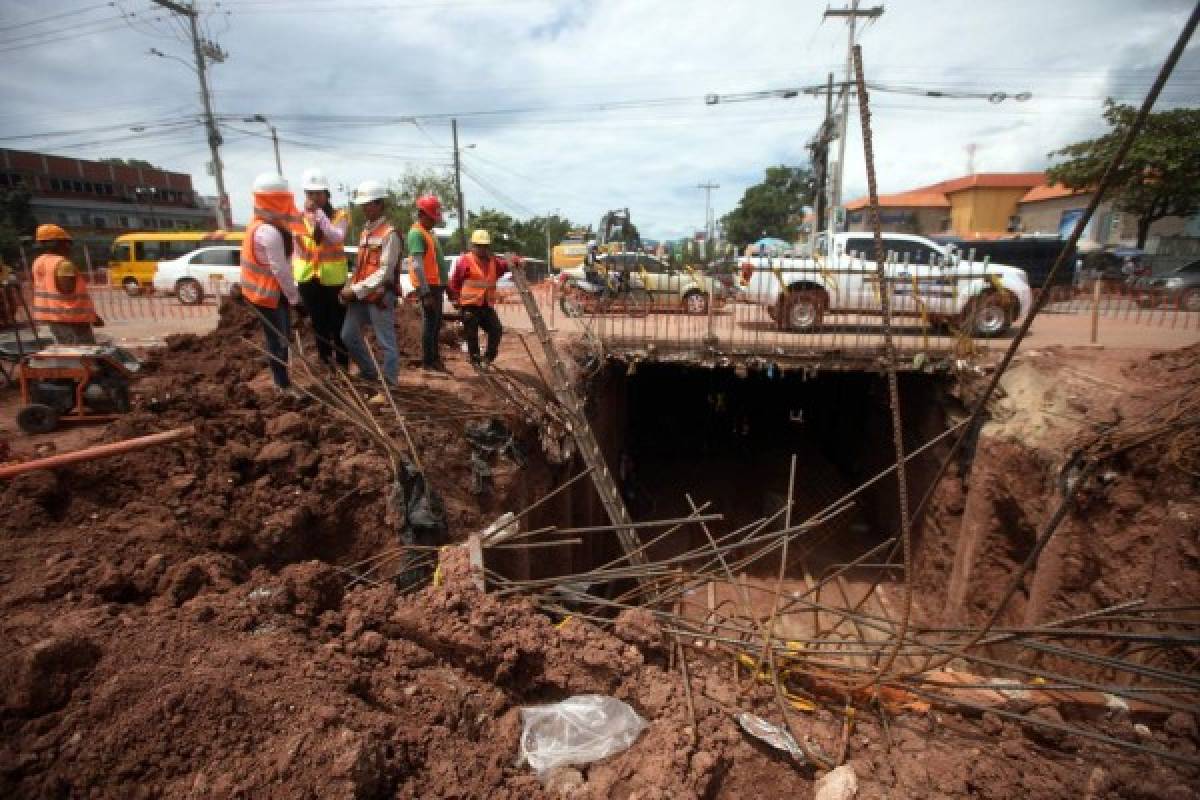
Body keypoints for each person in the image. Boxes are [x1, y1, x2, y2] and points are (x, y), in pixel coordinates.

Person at [239, 173, 304, 396]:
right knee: (280, 341)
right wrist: (295, 299)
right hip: (269, 296)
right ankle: (283, 386)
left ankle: (281, 381)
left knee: (275, 339)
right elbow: (280, 270)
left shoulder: (256, 225)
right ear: (276, 200)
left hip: (258, 294)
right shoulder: (269, 232)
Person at [340, 179, 400, 390]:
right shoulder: (366, 232)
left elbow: (384, 272)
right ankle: (369, 372)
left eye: (369, 204)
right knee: (348, 335)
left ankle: (390, 383)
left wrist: (354, 290)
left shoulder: (389, 234)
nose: (365, 208)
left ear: (380, 204)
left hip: (379, 296)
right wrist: (350, 285)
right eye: (363, 205)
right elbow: (361, 266)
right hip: (360, 295)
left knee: (385, 342)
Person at [292, 167, 349, 370]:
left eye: (318, 193)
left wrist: (318, 215)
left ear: (326, 194)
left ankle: (342, 364)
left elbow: (336, 236)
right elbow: (296, 250)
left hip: (333, 281)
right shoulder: (298, 218)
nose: (314, 197)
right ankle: (326, 364)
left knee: (338, 324)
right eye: (310, 193)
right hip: (308, 280)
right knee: (319, 325)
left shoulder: (339, 216)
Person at [30, 224, 103, 344]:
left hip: (53, 317)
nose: (69, 247)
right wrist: (91, 316)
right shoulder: (63, 264)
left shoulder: (38, 262)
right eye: (66, 243)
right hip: (72, 319)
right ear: (56, 244)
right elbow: (68, 292)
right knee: (83, 354)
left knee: (66, 352)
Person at [448, 229, 511, 367]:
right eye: (479, 246)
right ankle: (476, 361)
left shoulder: (494, 262)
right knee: (471, 335)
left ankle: (488, 358)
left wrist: (516, 261)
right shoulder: (465, 261)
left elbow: (507, 265)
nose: (482, 249)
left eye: (485, 246)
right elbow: (455, 282)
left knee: (496, 329)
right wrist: (456, 300)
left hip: (486, 305)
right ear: (473, 246)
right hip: (470, 305)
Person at [407, 195, 448, 370]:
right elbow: (417, 264)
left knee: (436, 323)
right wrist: (425, 292)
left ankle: (434, 359)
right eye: (432, 217)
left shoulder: (427, 233)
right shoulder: (416, 233)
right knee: (430, 324)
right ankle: (429, 362)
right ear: (422, 214)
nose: (434, 221)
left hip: (434, 286)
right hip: (428, 287)